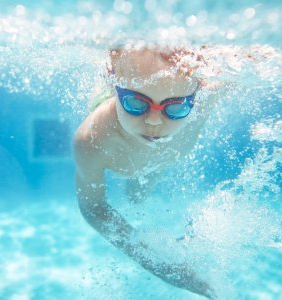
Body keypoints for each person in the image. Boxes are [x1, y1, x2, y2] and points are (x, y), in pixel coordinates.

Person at [73, 46, 220, 298]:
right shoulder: (92, 140)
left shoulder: (205, 100)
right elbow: (93, 209)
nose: (153, 122)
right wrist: (159, 264)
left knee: (137, 196)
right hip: (122, 147)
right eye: (135, 102)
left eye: (175, 108)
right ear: (114, 82)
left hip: (157, 164)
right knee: (137, 193)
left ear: (197, 94)